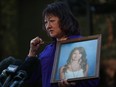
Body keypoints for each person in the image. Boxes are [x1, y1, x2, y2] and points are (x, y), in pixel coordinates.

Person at [25, 1, 99, 87]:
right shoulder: (47, 50)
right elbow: (30, 79)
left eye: (52, 21)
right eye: (46, 22)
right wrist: (32, 53)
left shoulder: (82, 44)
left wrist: (74, 84)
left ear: (64, 20)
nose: (48, 26)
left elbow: (93, 82)